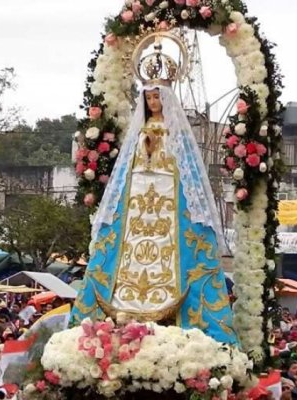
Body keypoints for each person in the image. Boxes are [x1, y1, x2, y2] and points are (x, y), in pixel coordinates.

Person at [71, 49, 235, 343]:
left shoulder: (178, 134)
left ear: (167, 99)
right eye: (148, 99)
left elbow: (187, 169)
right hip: (137, 200)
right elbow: (127, 168)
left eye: (157, 97)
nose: (153, 103)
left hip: (169, 199)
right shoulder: (138, 133)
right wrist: (144, 153)